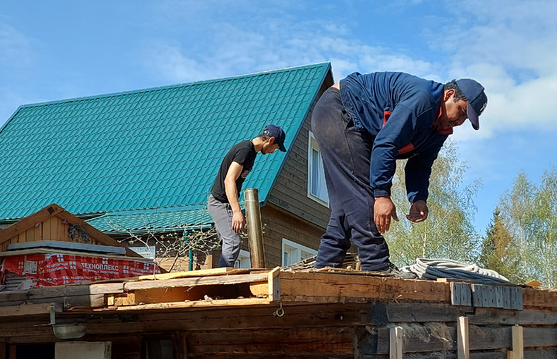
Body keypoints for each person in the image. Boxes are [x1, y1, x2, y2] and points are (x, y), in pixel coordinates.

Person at [311, 73, 487, 272]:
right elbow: (386, 143)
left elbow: (421, 164)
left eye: (466, 118)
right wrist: (381, 195)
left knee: (347, 205)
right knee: (362, 196)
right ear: (448, 95)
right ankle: (377, 265)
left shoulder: (439, 129)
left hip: (342, 117)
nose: (460, 122)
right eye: (461, 112)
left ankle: (325, 266)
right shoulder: (422, 100)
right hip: (339, 109)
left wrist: (418, 198)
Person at [207, 125, 286, 267]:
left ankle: (223, 274)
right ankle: (222, 279)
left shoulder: (251, 153)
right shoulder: (245, 150)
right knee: (233, 243)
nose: (273, 151)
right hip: (220, 203)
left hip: (224, 204)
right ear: (270, 140)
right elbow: (229, 180)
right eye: (276, 147)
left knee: (229, 242)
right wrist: (237, 212)